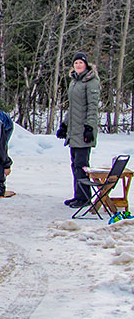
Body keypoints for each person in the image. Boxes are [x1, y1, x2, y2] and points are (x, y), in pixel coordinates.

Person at [56, 52, 100, 208]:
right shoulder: (74, 81)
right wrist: (64, 125)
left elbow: (92, 107)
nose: (78, 65)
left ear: (86, 64)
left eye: (81, 63)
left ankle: (85, 197)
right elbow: (73, 107)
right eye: (76, 63)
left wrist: (89, 127)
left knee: (82, 164)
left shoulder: (91, 81)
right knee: (75, 164)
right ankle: (78, 195)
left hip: (83, 130)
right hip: (73, 130)